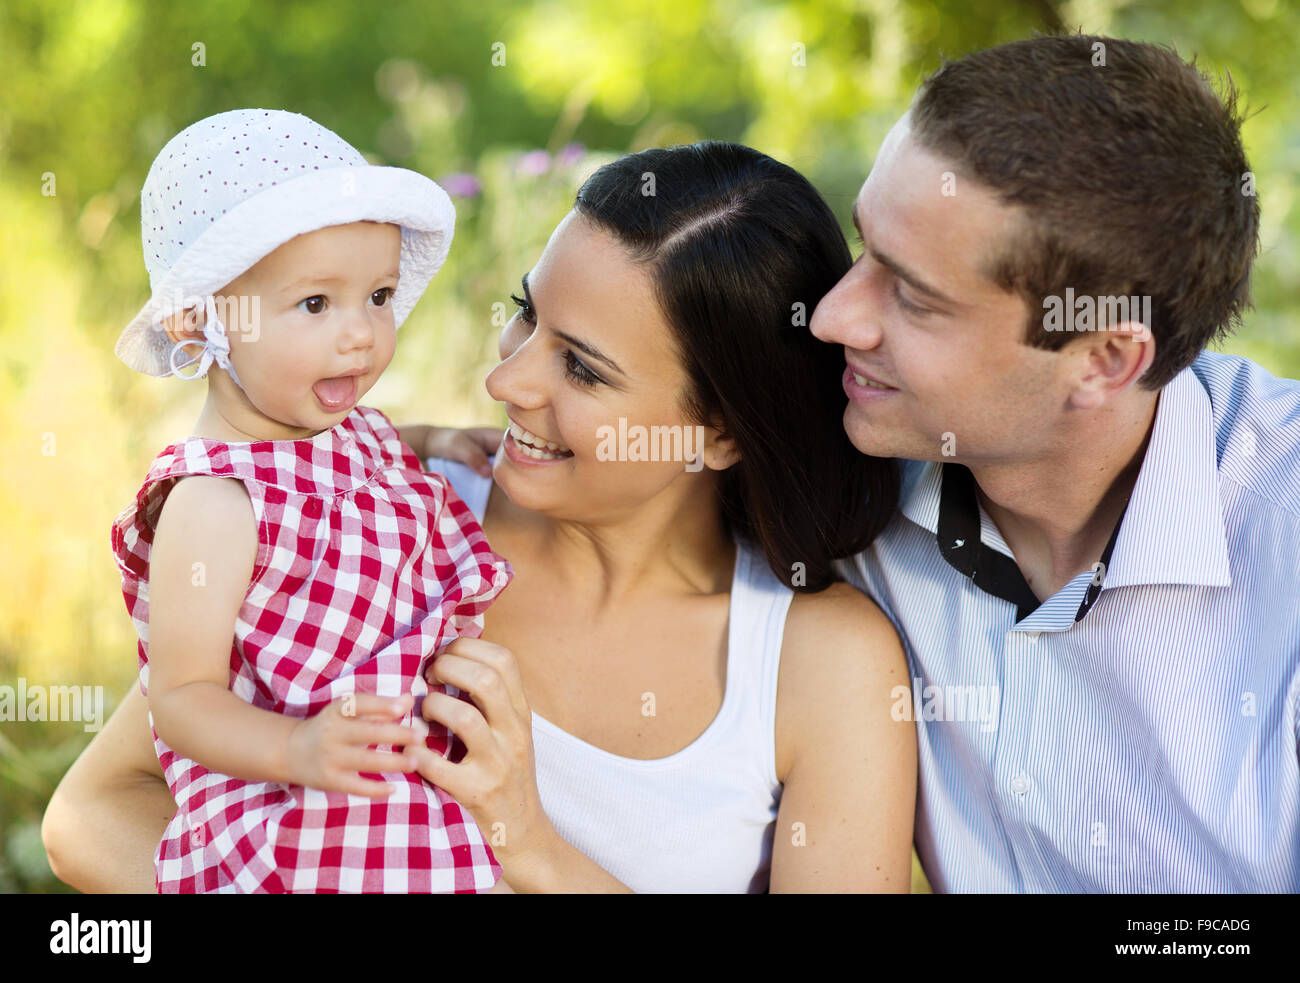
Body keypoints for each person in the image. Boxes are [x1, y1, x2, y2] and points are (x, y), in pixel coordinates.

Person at [42, 140, 917, 893]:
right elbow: (94, 810)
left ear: (719, 433)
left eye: (582, 369)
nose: (505, 381)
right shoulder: (380, 516)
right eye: (525, 314)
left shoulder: (823, 665)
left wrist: (529, 846)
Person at [810, 34, 1300, 891]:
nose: (833, 316)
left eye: (914, 297)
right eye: (863, 248)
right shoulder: (845, 463)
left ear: (1105, 359)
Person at [104, 108, 513, 893]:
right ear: (204, 321)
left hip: (388, 796)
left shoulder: (329, 428)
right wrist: (295, 750)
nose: (361, 334)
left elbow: (363, 444)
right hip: (291, 820)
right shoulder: (216, 504)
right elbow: (182, 698)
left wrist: (430, 440)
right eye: (317, 305)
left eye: (380, 294)